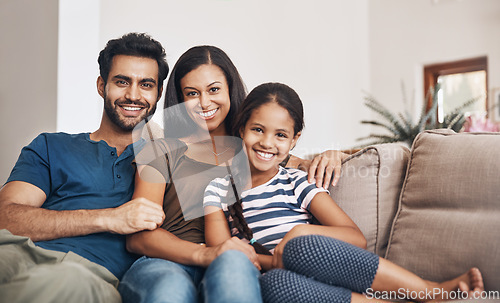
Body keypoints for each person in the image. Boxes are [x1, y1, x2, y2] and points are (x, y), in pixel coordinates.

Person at [203, 82, 485, 303]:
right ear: (241, 129)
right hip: (286, 283)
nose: (267, 142)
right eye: (258, 130)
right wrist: (275, 260)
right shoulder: (217, 190)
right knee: (275, 286)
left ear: (294, 140)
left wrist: (298, 236)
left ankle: (428, 290)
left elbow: (354, 238)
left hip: (320, 265)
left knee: (300, 245)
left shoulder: (296, 181)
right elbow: (224, 253)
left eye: (280, 135)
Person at [118, 46, 347, 303]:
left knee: (235, 271)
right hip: (166, 263)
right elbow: (138, 236)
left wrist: (333, 153)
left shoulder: (257, 151)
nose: (204, 102)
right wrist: (207, 253)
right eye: (192, 93)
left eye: (214, 89)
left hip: (234, 262)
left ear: (230, 89)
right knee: (171, 290)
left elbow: (304, 158)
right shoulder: (160, 150)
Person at [0, 32, 168, 303]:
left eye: (146, 84)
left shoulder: (162, 161)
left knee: (58, 283)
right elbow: (6, 217)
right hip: (15, 251)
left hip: (88, 275)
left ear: (159, 92)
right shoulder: (49, 146)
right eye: (122, 82)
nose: (133, 95)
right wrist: (110, 218)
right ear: (102, 86)